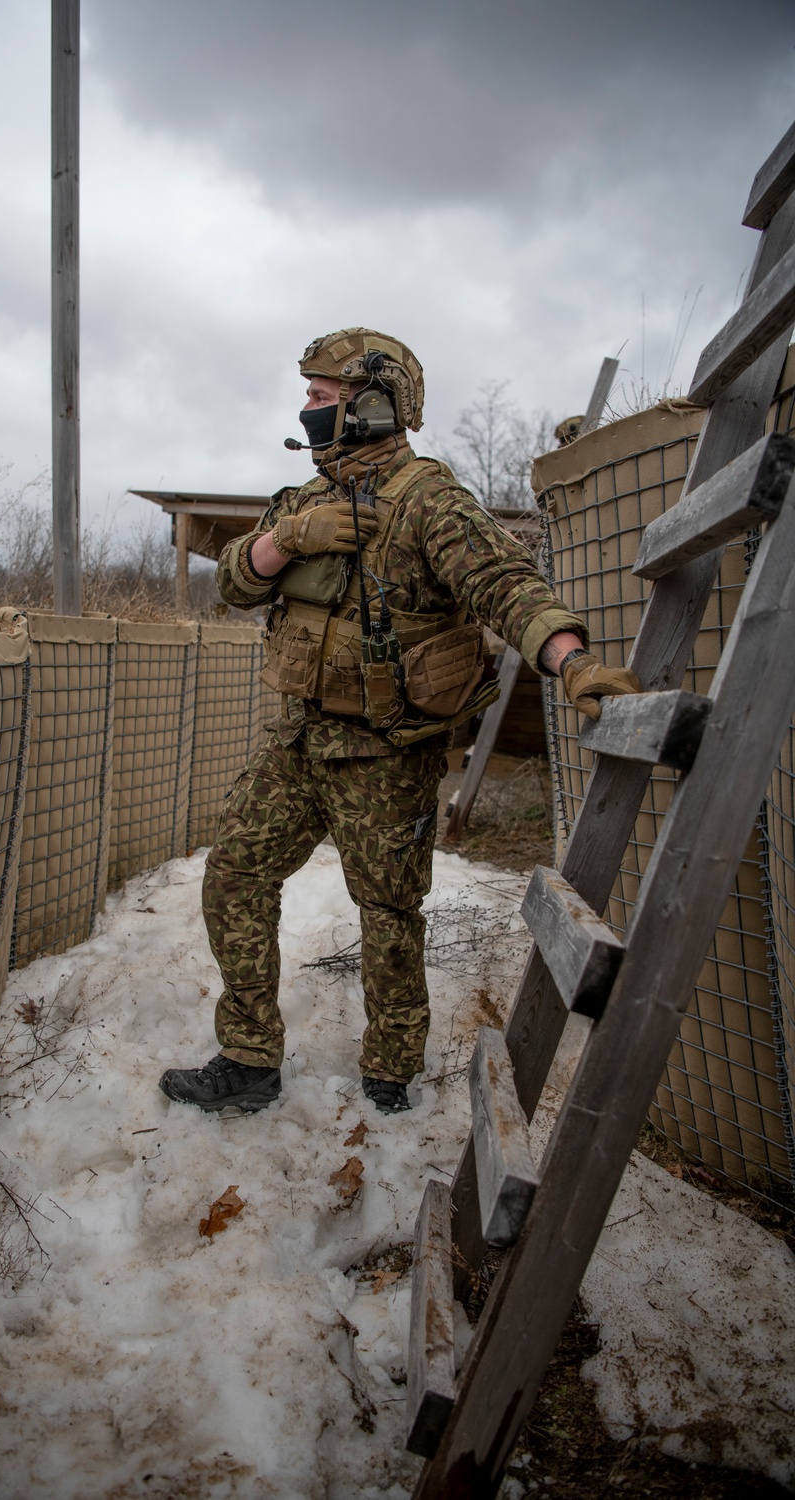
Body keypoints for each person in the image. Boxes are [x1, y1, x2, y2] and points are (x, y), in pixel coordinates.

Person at [160, 328, 639, 1116]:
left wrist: (571, 661)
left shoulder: (430, 501)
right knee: (236, 873)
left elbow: (503, 583)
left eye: (319, 396)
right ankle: (248, 1056)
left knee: (386, 912)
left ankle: (389, 1069)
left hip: (385, 753)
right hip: (298, 741)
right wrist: (286, 540)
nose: (306, 409)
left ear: (370, 403)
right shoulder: (304, 501)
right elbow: (238, 587)